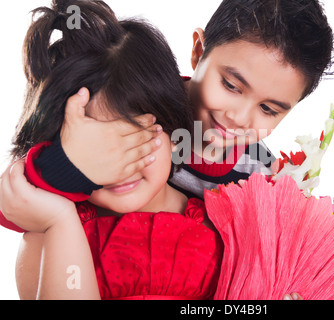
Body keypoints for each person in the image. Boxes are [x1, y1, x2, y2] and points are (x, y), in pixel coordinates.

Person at [0, 0, 222, 300]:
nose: (119, 166)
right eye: (95, 150)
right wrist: (60, 222)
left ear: (175, 130)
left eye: (133, 138)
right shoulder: (46, 234)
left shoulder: (221, 224)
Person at [21, 0, 334, 201]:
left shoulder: (263, 176)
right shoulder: (139, 108)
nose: (239, 117)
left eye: (268, 109)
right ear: (198, 52)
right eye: (230, 85)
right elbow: (20, 199)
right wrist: (69, 168)